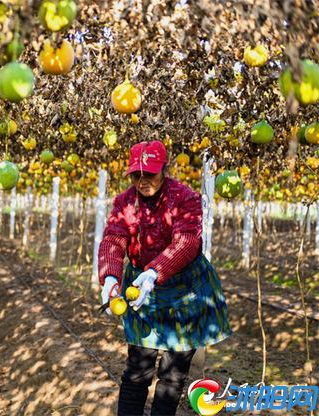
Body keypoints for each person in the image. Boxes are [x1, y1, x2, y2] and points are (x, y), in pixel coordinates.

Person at [98, 140, 232, 416]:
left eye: (151, 173)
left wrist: (154, 272)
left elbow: (186, 242)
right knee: (138, 367)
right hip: (140, 290)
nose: (143, 180)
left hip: (185, 291)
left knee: (173, 372)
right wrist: (110, 277)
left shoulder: (185, 198)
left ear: (165, 169)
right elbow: (114, 236)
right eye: (137, 174)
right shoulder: (125, 202)